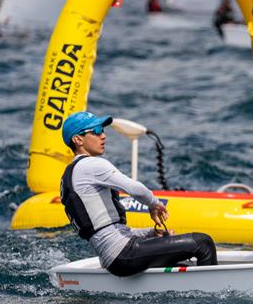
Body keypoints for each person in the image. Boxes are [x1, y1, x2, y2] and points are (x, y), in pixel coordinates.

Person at [59, 111, 217, 277]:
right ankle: (215, 294)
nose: (103, 136)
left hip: (115, 256)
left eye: (103, 130)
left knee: (184, 265)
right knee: (202, 243)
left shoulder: (71, 173)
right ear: (78, 140)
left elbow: (109, 232)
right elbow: (135, 189)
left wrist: (150, 233)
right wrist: (154, 204)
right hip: (122, 255)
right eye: (97, 131)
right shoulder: (91, 165)